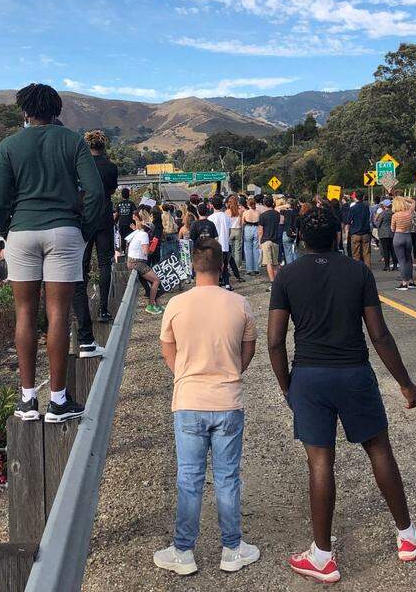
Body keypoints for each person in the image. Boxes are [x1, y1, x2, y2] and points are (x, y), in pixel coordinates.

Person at [268, 207, 416, 583]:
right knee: (379, 450)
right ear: (337, 236)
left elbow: (275, 342)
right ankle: (407, 536)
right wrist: (405, 383)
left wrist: (288, 386)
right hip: (354, 372)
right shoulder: (358, 272)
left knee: (320, 462)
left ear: (300, 238)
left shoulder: (287, 276)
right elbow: (379, 334)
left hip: (309, 377)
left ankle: (322, 556)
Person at [0, 83, 105, 424]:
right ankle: (58, 401)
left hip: (21, 232)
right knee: (58, 314)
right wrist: (84, 230)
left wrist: (7, 230)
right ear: (56, 110)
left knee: (24, 313)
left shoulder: (8, 145)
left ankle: (27, 400)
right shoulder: (73, 141)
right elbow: (96, 192)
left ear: (25, 111)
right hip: (64, 231)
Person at [154, 236, 260, 576]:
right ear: (222, 265)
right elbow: (248, 349)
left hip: (188, 399)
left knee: (189, 478)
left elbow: (167, 350)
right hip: (228, 400)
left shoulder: (176, 304)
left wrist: (184, 374)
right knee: (227, 477)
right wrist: (231, 370)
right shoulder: (239, 303)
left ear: (192, 265)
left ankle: (183, 550)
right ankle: (232, 548)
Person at [72, 130, 118, 351]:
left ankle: (82, 314)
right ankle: (104, 309)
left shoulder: (81, 166)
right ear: (104, 145)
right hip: (104, 216)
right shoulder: (111, 167)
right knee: (104, 263)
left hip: (85, 217)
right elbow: (111, 189)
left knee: (82, 266)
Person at [389, 195, 416, 290]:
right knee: (409, 259)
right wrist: (403, 198)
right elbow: (413, 202)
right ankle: (411, 281)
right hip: (408, 236)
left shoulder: (395, 215)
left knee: (402, 261)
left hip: (398, 236)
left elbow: (392, 228)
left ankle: (404, 283)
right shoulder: (409, 213)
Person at [344, 191, 372, 265]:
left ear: (355, 197)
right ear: (363, 197)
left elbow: (348, 221)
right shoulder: (366, 207)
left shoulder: (353, 208)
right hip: (365, 233)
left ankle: (357, 270)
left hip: (355, 233)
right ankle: (367, 270)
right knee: (367, 254)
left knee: (356, 254)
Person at [372, 197, 395, 273]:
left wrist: (375, 220)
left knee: (385, 250)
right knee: (392, 249)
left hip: (383, 233)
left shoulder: (382, 213)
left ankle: (387, 266)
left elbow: (378, 224)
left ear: (385, 206)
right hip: (392, 233)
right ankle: (395, 265)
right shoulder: (393, 213)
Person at [242, 196, 261, 273]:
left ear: (248, 204)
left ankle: (249, 269)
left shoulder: (245, 212)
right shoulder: (258, 212)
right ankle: (256, 268)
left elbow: (242, 223)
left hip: (248, 228)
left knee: (248, 249)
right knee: (256, 249)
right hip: (256, 228)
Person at [115, 188, 135, 259]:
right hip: (130, 224)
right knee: (131, 239)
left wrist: (115, 222)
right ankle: (131, 253)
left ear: (122, 195)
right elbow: (134, 213)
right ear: (128, 195)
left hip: (122, 224)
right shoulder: (131, 203)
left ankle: (123, 252)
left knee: (123, 239)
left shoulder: (119, 204)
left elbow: (116, 215)